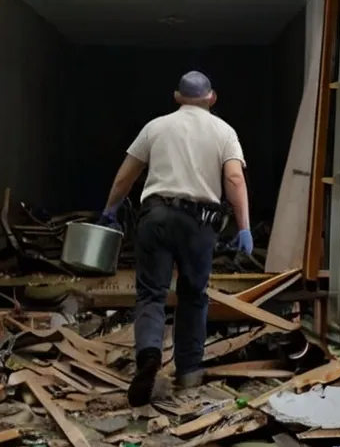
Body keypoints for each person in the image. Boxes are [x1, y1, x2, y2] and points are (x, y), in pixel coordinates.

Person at [99, 71, 252, 407]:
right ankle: (189, 371)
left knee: (151, 294)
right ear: (212, 97)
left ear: (177, 97)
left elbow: (127, 174)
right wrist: (244, 227)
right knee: (194, 296)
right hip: (199, 224)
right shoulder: (224, 131)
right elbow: (234, 178)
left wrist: (110, 210)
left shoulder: (156, 127)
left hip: (155, 218)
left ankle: (149, 354)